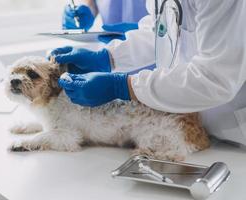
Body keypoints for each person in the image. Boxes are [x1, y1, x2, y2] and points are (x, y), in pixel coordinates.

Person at [51, 0, 246, 146]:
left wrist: (123, 86)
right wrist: (107, 57)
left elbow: (215, 78)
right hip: (197, 125)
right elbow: (159, 30)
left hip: (237, 132)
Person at [62, 0, 148, 43]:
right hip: (111, 54)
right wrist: (81, 13)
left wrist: (147, 30)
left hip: (154, 53)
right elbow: (92, 3)